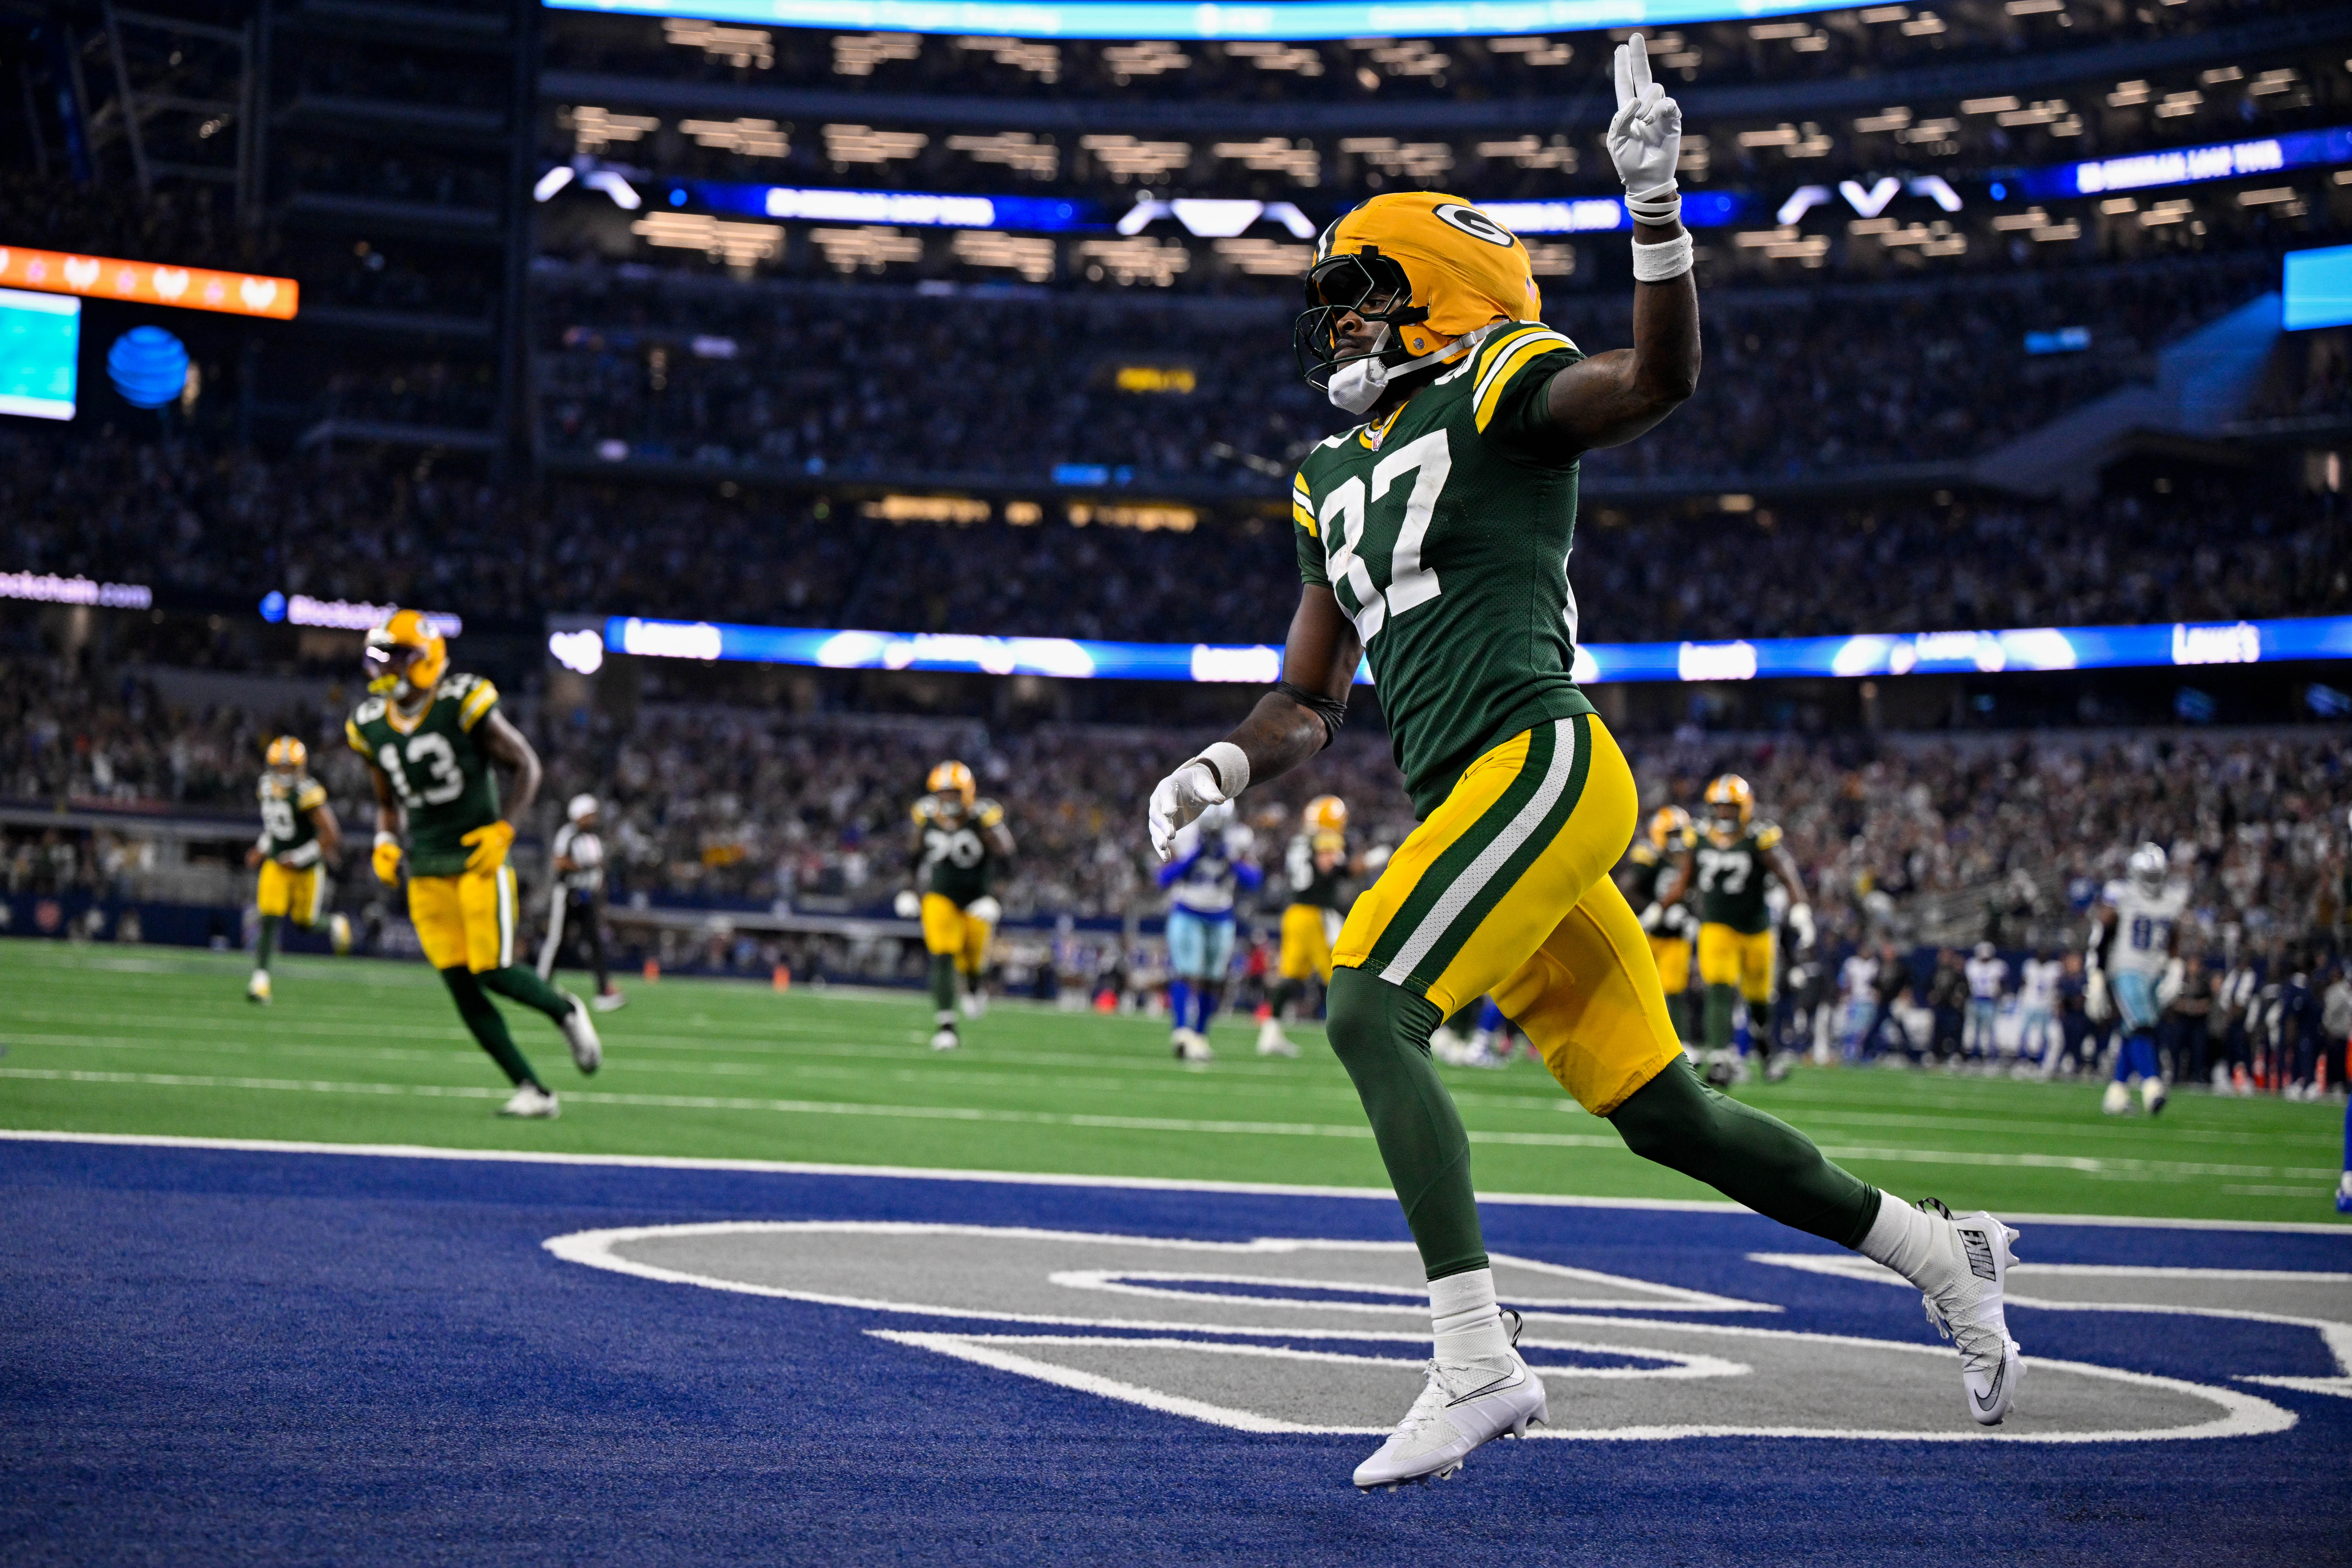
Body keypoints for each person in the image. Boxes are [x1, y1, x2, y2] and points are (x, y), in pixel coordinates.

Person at [1143, 43, 2021, 1491]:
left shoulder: (1494, 382)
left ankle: (1479, 1358)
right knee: (1662, 1107)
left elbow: (1656, 379)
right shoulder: (1321, 472)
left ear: (1432, 293)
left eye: (1357, 290)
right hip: (1478, 798)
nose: (1335, 322)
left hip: (1539, 759)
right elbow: (1309, 696)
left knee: (1367, 1004)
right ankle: (1943, 1250)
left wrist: (1656, 210)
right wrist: (1223, 768)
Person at [348, 611, 601, 1118]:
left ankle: (564, 1008)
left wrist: (505, 827)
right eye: (384, 657)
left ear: (425, 660)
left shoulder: (460, 700)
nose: (386, 668)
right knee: (460, 985)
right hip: (425, 866)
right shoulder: (370, 724)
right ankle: (532, 1088)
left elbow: (526, 762)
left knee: (494, 970)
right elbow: (388, 798)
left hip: (476, 857)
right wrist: (384, 838)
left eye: (397, 657)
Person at [1675, 775, 1814, 1083]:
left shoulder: (1758, 836)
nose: (1725, 814)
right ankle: (1721, 1059)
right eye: (1720, 807)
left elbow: (1787, 872)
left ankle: (1766, 1052)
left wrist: (1801, 908)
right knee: (1719, 988)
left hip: (1756, 929)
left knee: (1759, 999)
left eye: (1731, 807)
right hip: (1716, 926)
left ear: (1745, 808)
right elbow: (1684, 881)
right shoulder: (1697, 835)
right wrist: (1663, 907)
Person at [895, 760, 1014, 1052]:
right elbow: (912, 854)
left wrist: (995, 899)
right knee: (943, 954)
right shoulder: (925, 814)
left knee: (973, 962)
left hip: (977, 899)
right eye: (943, 792)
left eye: (954, 792)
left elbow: (1009, 857)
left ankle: (974, 986)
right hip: (940, 896)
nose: (948, 799)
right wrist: (909, 890)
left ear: (968, 792)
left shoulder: (983, 816)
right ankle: (947, 1027)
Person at [245, 735, 351, 1004]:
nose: (284, 773)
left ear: (300, 767)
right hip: (277, 864)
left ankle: (335, 924)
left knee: (306, 922)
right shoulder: (266, 787)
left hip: (307, 869)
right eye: (279, 767)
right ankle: (260, 982)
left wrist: (300, 856)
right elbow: (275, 828)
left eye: (289, 767)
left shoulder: (308, 793)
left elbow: (331, 835)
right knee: (270, 917)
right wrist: (262, 846)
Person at [1156, 804, 1265, 1062]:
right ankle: (1182, 1033)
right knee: (1186, 973)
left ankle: (1200, 1036)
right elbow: (1163, 879)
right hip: (1187, 910)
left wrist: (1230, 860)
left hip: (1221, 914)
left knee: (1213, 979)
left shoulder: (1240, 839)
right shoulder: (1183, 835)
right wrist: (1194, 857)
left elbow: (1255, 881)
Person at [2091, 842, 2184, 1116]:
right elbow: (2101, 935)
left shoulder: (2172, 899)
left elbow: (2174, 935)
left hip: (2155, 972)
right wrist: (2096, 974)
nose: (2153, 883)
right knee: (2141, 1026)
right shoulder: (2122, 895)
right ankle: (2152, 1087)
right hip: (2126, 969)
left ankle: (2117, 1093)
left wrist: (2176, 967)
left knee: (2133, 1031)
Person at [1256, 796, 1353, 1057]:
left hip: (1295, 913)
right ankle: (1355, 1037)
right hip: (1315, 916)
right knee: (1340, 976)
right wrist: (1371, 862)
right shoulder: (1325, 840)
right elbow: (1330, 869)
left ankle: (1271, 1033)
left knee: (1292, 975)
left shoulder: (1300, 840)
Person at [1619, 805, 1697, 1048]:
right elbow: (1628, 890)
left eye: (1679, 834)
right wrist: (1656, 910)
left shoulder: (1692, 857)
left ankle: (1680, 1044)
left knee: (1674, 991)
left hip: (1676, 936)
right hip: (1648, 932)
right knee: (1636, 989)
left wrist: (1692, 916)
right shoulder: (1649, 856)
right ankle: (1631, 1041)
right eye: (1671, 834)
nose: (1677, 841)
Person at [538, 793, 624, 1011]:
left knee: (596, 943)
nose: (593, 819)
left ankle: (604, 991)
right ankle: (541, 984)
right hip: (568, 894)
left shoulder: (593, 838)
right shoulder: (568, 834)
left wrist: (598, 890)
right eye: (589, 814)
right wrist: (581, 866)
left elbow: (599, 867)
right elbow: (559, 861)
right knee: (557, 940)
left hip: (589, 896)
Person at [2018, 946, 2062, 1077]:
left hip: (2046, 1006)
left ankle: (2040, 1062)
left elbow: (2059, 986)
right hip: (2030, 1004)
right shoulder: (2030, 966)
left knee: (2044, 1037)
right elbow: (2024, 983)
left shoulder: (2055, 968)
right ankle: (2025, 1061)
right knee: (2025, 1034)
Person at [1964, 941, 2007, 1065]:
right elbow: (1968, 983)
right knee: (1973, 1031)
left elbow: (2003, 984)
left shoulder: (1997, 966)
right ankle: (1974, 1056)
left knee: (1989, 1032)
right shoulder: (1972, 965)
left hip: (1990, 1001)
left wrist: (1999, 994)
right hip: (1975, 1000)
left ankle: (1989, 1057)